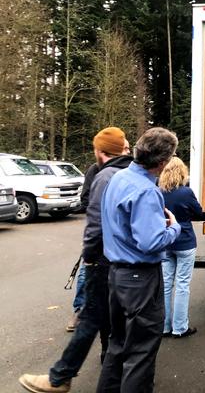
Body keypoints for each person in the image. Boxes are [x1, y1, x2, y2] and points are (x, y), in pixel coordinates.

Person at [19, 127, 132, 393]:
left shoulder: (104, 177)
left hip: (104, 262)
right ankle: (115, 376)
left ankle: (60, 378)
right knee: (114, 323)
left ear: (101, 151)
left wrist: (90, 259)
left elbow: (94, 226)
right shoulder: (131, 174)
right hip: (126, 263)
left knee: (92, 318)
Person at [96, 127, 181, 393]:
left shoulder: (118, 178)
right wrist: (174, 227)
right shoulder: (146, 191)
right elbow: (151, 242)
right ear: (163, 162)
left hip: (116, 275)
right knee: (141, 353)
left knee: (117, 345)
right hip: (140, 279)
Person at [67, 141, 130, 333]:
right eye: (125, 149)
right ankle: (80, 309)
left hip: (120, 235)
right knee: (88, 268)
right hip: (100, 231)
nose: (127, 152)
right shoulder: (96, 170)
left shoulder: (128, 172)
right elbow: (86, 198)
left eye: (128, 149)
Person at [158, 156, 202, 339]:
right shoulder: (186, 192)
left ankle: (165, 327)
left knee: (166, 285)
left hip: (166, 241)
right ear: (182, 172)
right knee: (183, 285)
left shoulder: (158, 192)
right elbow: (198, 213)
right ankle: (180, 327)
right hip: (185, 241)